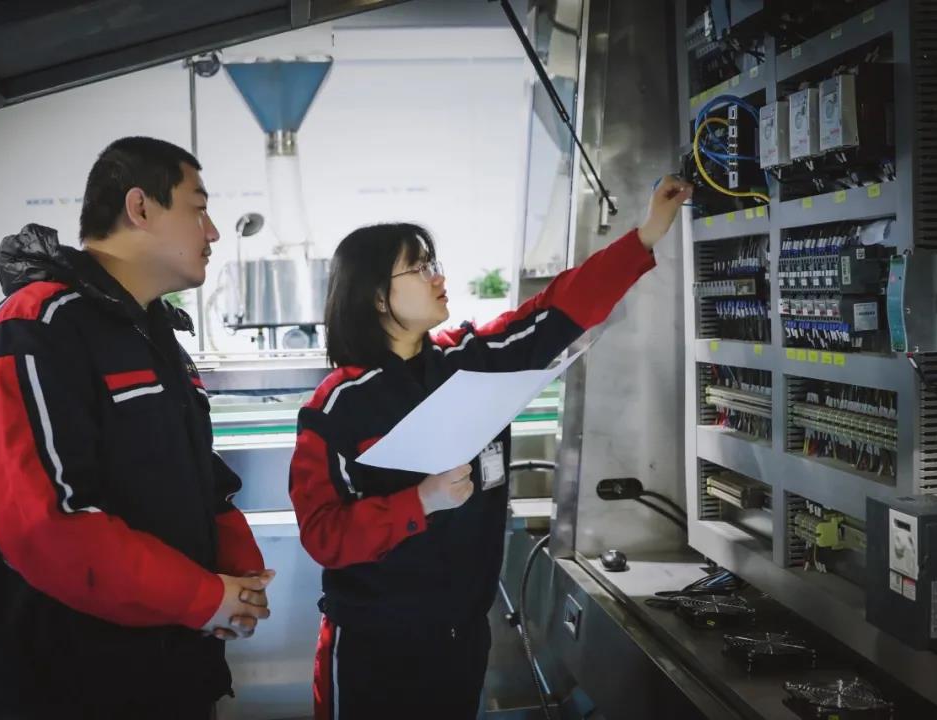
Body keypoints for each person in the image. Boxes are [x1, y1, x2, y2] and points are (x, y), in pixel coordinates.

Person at [289, 176, 692, 719]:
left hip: (461, 636)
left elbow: (555, 310)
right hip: (374, 644)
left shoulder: (470, 360)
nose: (439, 277)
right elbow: (323, 534)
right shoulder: (338, 404)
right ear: (378, 296)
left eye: (434, 264)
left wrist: (645, 235)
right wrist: (420, 501)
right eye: (420, 268)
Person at [0, 136, 275, 719]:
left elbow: (194, 473)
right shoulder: (34, 329)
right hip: (76, 688)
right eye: (198, 208)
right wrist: (203, 597)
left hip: (177, 672)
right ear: (140, 207)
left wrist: (237, 568)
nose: (212, 232)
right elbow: (46, 526)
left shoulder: (153, 335)